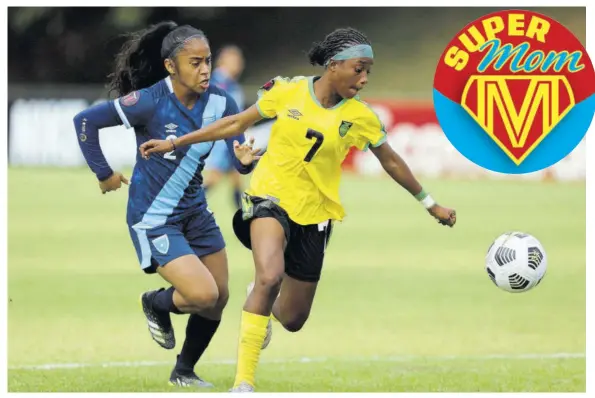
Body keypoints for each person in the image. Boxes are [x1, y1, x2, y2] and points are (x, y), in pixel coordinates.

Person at [139, 27, 457, 392]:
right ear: (334, 66)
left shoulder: (360, 116)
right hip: (268, 200)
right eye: (359, 68)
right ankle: (244, 383)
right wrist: (176, 141)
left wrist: (430, 203)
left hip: (317, 215)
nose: (365, 78)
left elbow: (392, 161)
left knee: (292, 317)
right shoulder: (287, 91)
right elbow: (234, 122)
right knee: (269, 276)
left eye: (369, 70)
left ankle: (260, 299)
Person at [72, 21, 259, 389]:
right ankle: (156, 303)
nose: (205, 70)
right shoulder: (150, 101)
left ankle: (184, 372)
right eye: (195, 62)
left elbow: (237, 157)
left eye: (207, 61)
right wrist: (103, 172)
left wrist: (244, 160)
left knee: (218, 297)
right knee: (201, 294)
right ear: (171, 66)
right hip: (154, 217)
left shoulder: (224, 101)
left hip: (195, 213)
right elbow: (85, 121)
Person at [203, 45, 247, 209]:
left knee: (236, 179)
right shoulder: (218, 83)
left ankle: (243, 218)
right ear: (223, 61)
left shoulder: (231, 84)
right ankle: (184, 209)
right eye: (234, 60)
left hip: (232, 138)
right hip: (223, 139)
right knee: (214, 177)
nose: (238, 64)